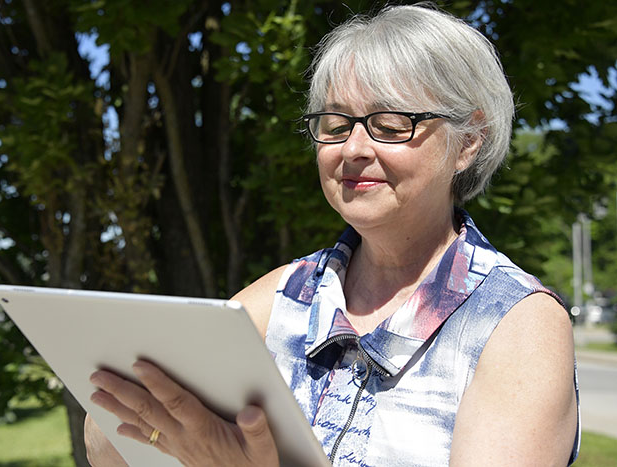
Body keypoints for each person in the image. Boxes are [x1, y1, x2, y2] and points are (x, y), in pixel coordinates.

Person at [84, 4, 580, 466]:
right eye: (336, 123)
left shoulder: (515, 322)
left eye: (390, 124)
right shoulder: (288, 293)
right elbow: (104, 441)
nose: (354, 148)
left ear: (468, 142)